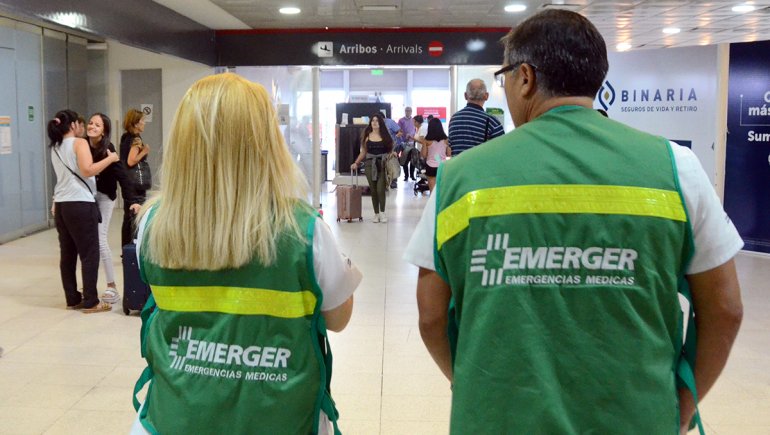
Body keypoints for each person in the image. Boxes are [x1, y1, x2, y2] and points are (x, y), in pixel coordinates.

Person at [404, 9, 743, 434]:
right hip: (636, 419)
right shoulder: (677, 167)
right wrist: (682, 405)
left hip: (498, 419)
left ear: (525, 77)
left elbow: (431, 315)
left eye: (503, 77)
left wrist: (469, 383)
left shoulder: (458, 178)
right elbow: (725, 308)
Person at [130, 73, 360, 434]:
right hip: (280, 418)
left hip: (175, 416)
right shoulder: (304, 230)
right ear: (266, 142)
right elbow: (338, 318)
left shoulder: (152, 224)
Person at [48, 109, 116, 314]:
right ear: (73, 126)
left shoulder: (55, 146)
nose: (84, 126)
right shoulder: (79, 143)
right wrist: (111, 159)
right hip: (80, 204)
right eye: (80, 123)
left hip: (62, 205)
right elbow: (87, 170)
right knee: (89, 253)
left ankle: (72, 298)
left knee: (68, 255)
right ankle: (91, 301)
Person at [86, 113, 142, 304]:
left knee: (100, 239)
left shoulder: (108, 149)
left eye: (97, 125)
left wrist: (132, 200)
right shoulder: (82, 145)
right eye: (91, 123)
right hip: (86, 197)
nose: (92, 126)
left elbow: (122, 176)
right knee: (87, 243)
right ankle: (90, 286)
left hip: (104, 197)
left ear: (104, 131)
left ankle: (112, 286)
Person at [350, 113, 394, 223]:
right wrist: (356, 163)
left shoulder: (385, 136)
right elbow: (363, 152)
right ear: (370, 123)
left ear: (380, 123)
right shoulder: (367, 136)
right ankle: (376, 213)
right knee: (373, 190)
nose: (374, 122)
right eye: (373, 120)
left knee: (380, 189)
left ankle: (382, 213)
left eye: (377, 120)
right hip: (370, 165)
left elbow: (390, 150)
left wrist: (392, 154)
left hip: (383, 165)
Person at [447, 79, 504, 157]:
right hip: (481, 165)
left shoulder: (454, 119)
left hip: (457, 165)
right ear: (486, 96)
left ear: (465, 95)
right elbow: (501, 151)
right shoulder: (492, 122)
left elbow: (451, 147)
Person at [119, 108, 151, 247]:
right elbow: (131, 161)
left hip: (127, 182)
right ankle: (133, 246)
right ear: (136, 123)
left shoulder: (125, 137)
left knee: (128, 216)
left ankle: (126, 248)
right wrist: (144, 151)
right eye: (142, 120)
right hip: (135, 184)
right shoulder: (136, 139)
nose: (144, 123)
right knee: (135, 216)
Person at [420, 117, 451, 192]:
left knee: (432, 191)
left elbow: (423, 155)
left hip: (430, 166)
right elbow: (449, 154)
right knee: (441, 190)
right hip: (442, 166)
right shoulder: (446, 140)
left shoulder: (426, 140)